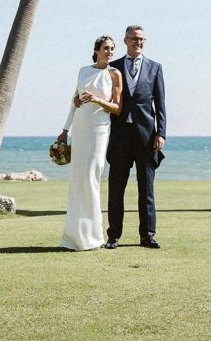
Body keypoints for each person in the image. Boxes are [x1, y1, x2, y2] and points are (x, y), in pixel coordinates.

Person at [103, 24, 166, 249]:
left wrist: (161, 133)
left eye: (141, 40)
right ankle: (113, 236)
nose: (138, 43)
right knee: (116, 187)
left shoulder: (155, 68)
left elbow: (160, 104)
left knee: (146, 189)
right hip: (119, 136)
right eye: (134, 39)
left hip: (146, 136)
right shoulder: (113, 67)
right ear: (125, 40)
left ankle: (147, 235)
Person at [58, 34, 122, 250]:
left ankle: (93, 237)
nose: (110, 52)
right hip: (81, 127)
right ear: (96, 50)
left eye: (112, 48)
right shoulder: (83, 71)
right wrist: (65, 131)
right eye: (106, 48)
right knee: (77, 180)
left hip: (99, 129)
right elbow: (73, 102)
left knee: (92, 176)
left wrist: (96, 99)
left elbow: (117, 108)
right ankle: (73, 237)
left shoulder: (115, 74)